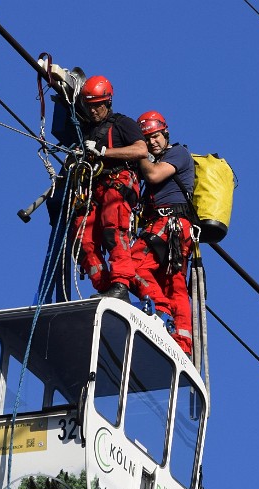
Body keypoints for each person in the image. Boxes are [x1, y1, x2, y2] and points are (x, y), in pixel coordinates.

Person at [72, 75, 148, 301]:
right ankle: (104, 286)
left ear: (107, 103)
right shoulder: (86, 130)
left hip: (118, 181)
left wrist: (104, 152)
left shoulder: (122, 124)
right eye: (90, 106)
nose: (93, 111)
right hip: (94, 188)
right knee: (82, 238)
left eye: (97, 106)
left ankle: (120, 284)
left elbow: (141, 150)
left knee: (113, 228)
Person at [131, 110, 196, 355]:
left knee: (134, 266)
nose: (152, 142)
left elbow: (154, 174)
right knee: (175, 284)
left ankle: (161, 310)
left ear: (165, 133)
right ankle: (182, 342)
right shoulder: (152, 163)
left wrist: (137, 152)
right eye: (147, 139)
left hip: (170, 222)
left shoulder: (178, 153)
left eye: (156, 136)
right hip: (173, 227)